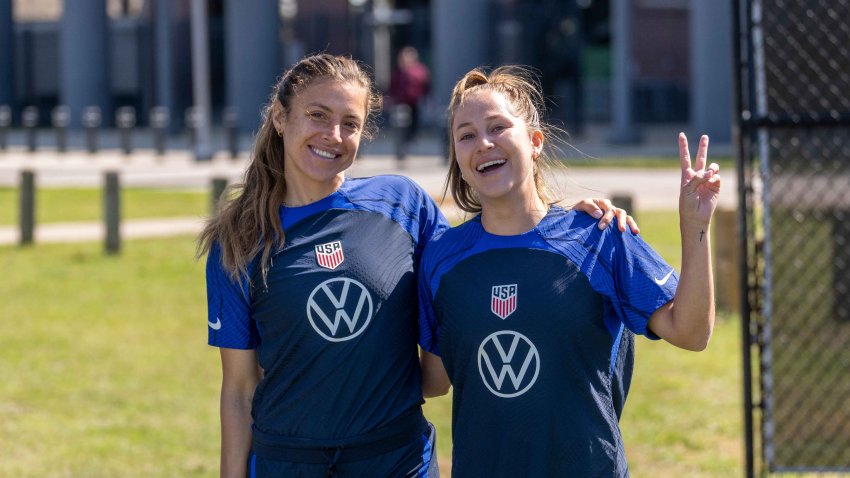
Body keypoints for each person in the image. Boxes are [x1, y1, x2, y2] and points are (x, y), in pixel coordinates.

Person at [198, 54, 637, 478]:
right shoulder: (238, 241)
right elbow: (239, 391)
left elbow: (481, 255)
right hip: (288, 462)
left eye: (350, 123)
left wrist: (563, 221)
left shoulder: (401, 204)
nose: (333, 134)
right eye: (317, 115)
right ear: (280, 118)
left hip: (396, 460)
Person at [417, 66, 721, 477]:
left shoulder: (598, 235)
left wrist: (695, 227)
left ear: (535, 142)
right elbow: (434, 380)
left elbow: (691, 332)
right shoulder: (442, 259)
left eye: (498, 127)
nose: (483, 143)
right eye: (466, 135)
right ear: (456, 153)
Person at [387, 46, 430, 163]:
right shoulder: (398, 73)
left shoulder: (420, 71)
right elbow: (392, 88)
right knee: (400, 128)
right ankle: (401, 149)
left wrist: (426, 101)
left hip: (415, 104)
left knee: (414, 126)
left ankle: (408, 143)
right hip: (401, 104)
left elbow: (426, 87)